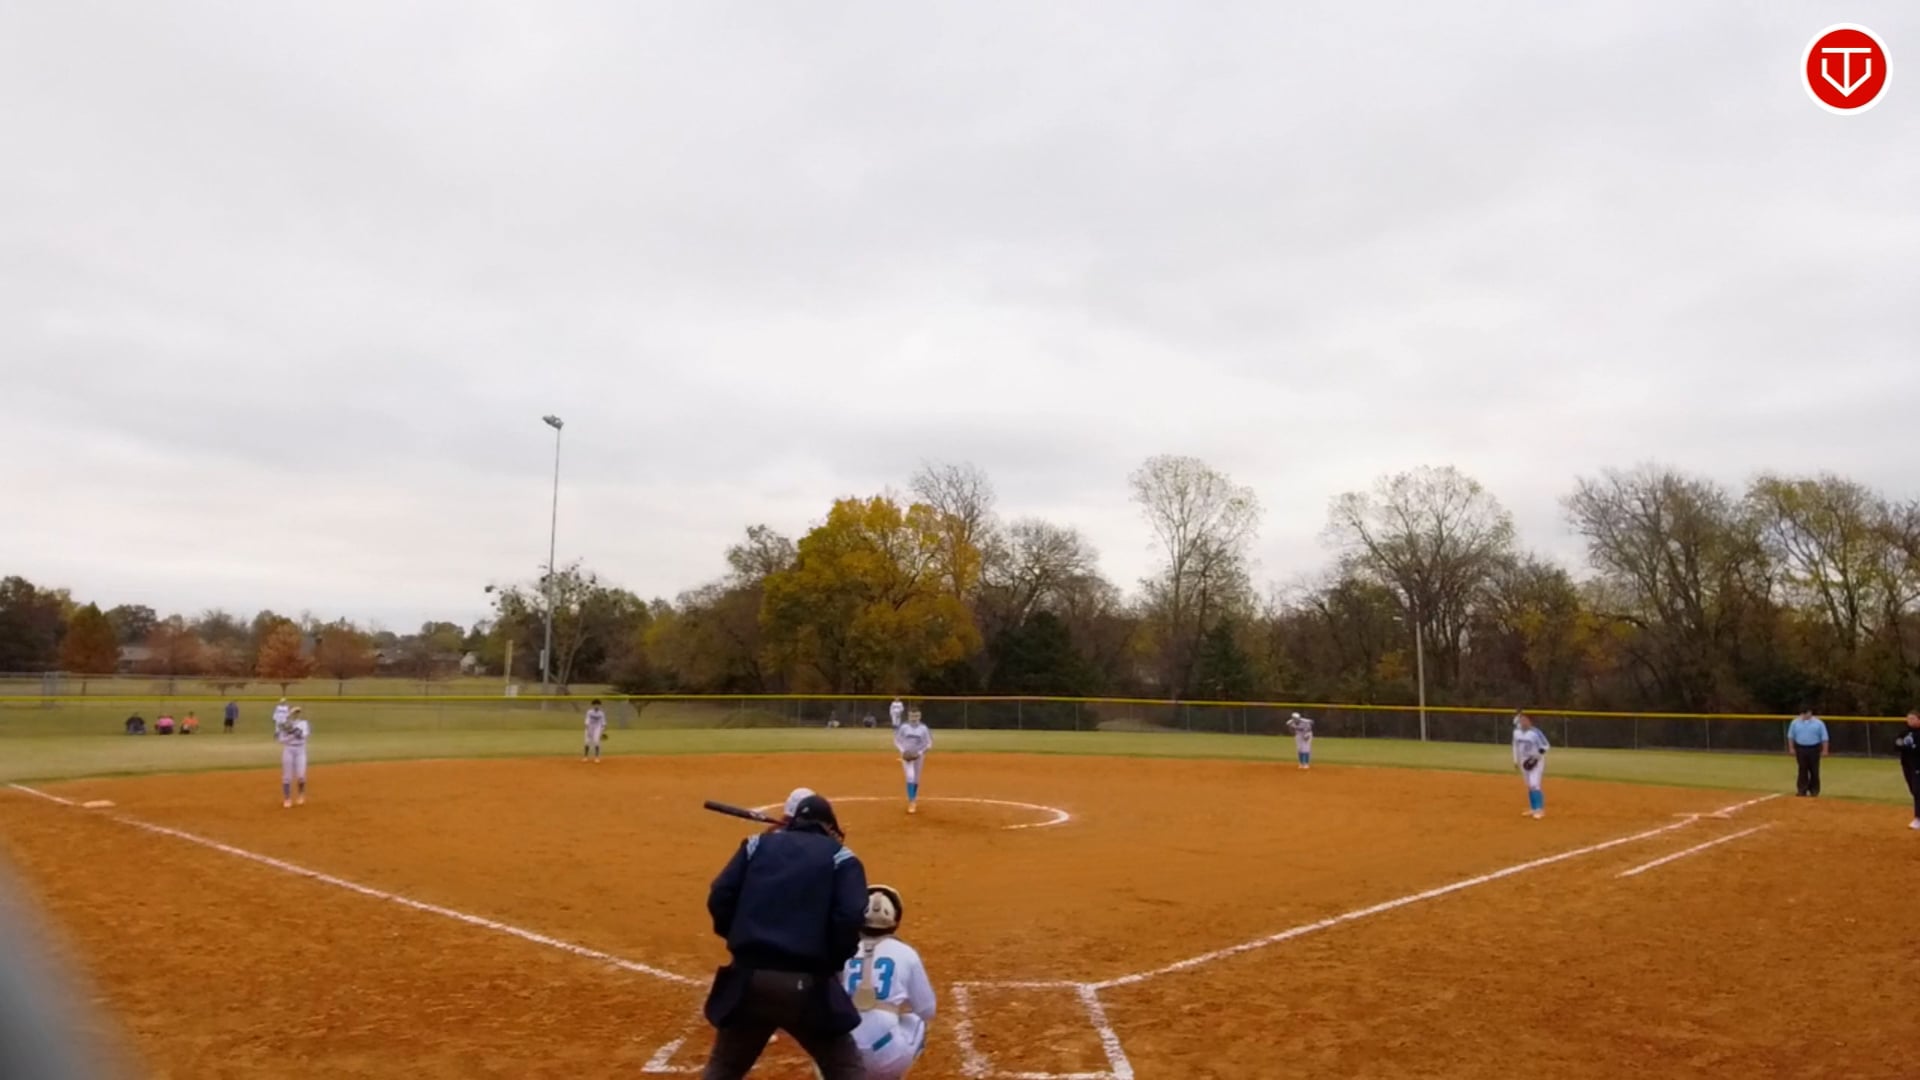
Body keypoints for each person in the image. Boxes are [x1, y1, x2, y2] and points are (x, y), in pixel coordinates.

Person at [699, 793, 868, 1080]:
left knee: (724, 1069)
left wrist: (737, 938)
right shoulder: (841, 857)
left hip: (748, 980)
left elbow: (721, 895)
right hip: (808, 987)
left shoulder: (756, 845)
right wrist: (831, 961)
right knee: (846, 1070)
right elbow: (850, 916)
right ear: (828, 826)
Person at [840, 885, 936, 1079]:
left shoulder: (840, 950)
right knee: (917, 1021)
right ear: (894, 920)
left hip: (842, 1056)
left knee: (828, 1032)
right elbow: (927, 1010)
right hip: (885, 1059)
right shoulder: (905, 953)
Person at [1512, 711, 1549, 819]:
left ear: (1530, 721)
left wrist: (1536, 757)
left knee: (1534, 784)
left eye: (1525, 720)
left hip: (1536, 760)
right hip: (1524, 761)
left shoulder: (1535, 732)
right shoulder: (1516, 732)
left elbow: (1546, 745)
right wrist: (1515, 760)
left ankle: (1540, 810)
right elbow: (1515, 746)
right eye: (1521, 720)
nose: (1523, 722)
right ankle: (1533, 809)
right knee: (1529, 785)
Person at [894, 709, 932, 814]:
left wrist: (920, 753)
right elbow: (896, 740)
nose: (914, 718)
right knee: (910, 776)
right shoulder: (904, 727)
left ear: (920, 716)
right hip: (906, 756)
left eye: (916, 716)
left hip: (919, 756)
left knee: (916, 779)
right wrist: (903, 751)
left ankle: (913, 798)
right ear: (909, 716)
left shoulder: (923, 729)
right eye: (912, 716)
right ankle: (911, 801)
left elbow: (929, 743)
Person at [1787, 706, 1830, 797]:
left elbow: (1824, 737)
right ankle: (1802, 790)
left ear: (1810, 712)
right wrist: (1791, 748)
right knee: (1802, 769)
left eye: (1805, 713)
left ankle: (1814, 790)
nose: (1803, 715)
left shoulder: (1819, 723)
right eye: (1802, 713)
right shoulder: (1795, 722)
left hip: (1814, 748)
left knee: (1814, 770)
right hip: (1801, 748)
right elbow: (1791, 736)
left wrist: (1825, 750)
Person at [277, 706, 310, 809]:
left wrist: (294, 732)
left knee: (301, 776)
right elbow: (281, 740)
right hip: (288, 750)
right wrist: (291, 734)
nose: (297, 714)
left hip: (301, 750)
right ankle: (287, 799)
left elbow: (304, 735)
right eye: (295, 712)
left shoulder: (304, 723)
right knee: (287, 777)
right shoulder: (285, 725)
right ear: (290, 714)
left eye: (298, 712)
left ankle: (301, 795)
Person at [1893, 710, 1920, 830]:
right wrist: (1907, 746)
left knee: (1918, 791)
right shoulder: (1904, 732)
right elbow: (1896, 745)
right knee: (1913, 790)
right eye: (1908, 719)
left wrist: (1905, 746)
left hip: (1918, 765)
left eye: (1913, 718)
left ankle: (1918, 819)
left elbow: (1916, 749)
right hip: (1907, 765)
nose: (1910, 721)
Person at [583, 699, 607, 763]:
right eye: (595, 704)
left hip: (597, 728)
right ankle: (585, 757)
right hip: (589, 727)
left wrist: (603, 729)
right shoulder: (589, 712)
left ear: (599, 705)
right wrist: (587, 727)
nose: (596, 706)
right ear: (593, 705)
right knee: (587, 742)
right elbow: (587, 720)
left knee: (596, 741)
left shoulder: (601, 713)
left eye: (598, 704)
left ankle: (597, 757)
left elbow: (603, 722)